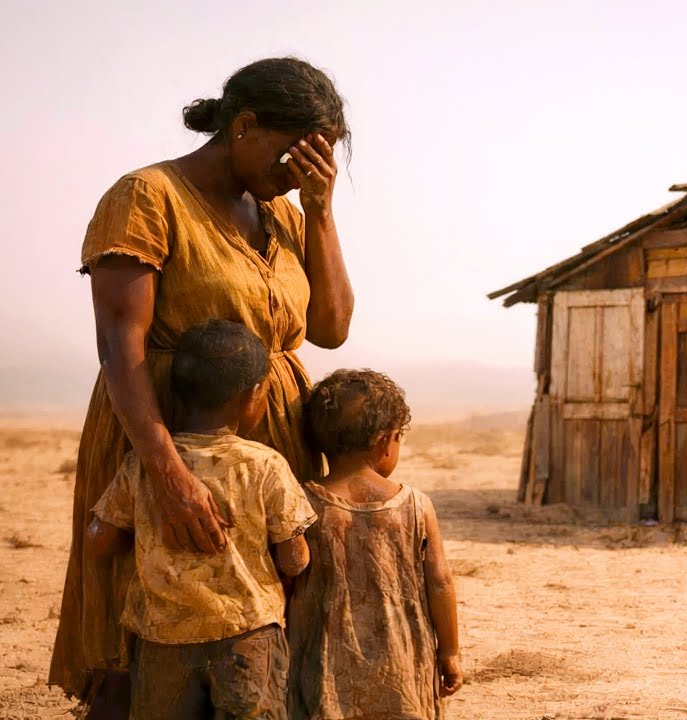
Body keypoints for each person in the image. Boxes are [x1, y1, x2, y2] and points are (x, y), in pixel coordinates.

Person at [51, 57, 355, 718]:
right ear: (244, 126)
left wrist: (321, 211)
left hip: (269, 444)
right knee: (147, 623)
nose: (297, 175)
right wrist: (165, 473)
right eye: (291, 157)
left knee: (258, 624)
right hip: (158, 429)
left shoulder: (286, 218)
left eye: (317, 164)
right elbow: (119, 344)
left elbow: (330, 329)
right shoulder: (147, 196)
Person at [86, 320, 316, 719]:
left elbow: (98, 541)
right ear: (254, 395)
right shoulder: (265, 465)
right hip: (249, 638)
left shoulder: (145, 466)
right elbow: (294, 559)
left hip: (162, 640)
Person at [288, 370, 463, 719]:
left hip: (324, 665)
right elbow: (440, 581)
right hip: (402, 663)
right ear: (386, 441)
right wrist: (450, 652)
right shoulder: (415, 505)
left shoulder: (302, 501)